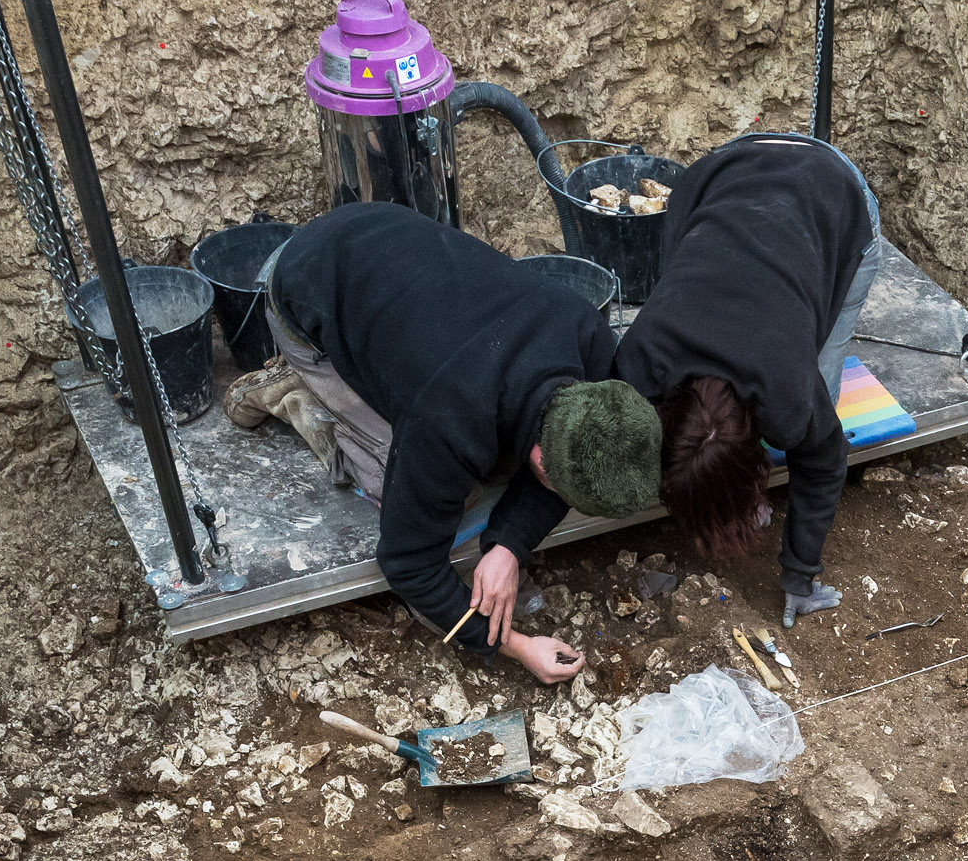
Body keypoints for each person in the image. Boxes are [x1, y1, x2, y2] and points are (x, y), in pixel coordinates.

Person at [240, 203, 662, 683]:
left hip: (384, 238)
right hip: (301, 287)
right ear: (541, 460)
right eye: (556, 485)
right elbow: (408, 562)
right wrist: (516, 646)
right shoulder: (450, 419)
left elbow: (544, 481)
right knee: (396, 483)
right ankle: (296, 392)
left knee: (476, 470)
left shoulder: (591, 341)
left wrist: (508, 546)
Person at [611, 133, 880, 621]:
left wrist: (802, 572)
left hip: (833, 190)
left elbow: (824, 460)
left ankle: (748, 492)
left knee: (823, 394)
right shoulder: (642, 357)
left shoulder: (788, 392)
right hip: (720, 173)